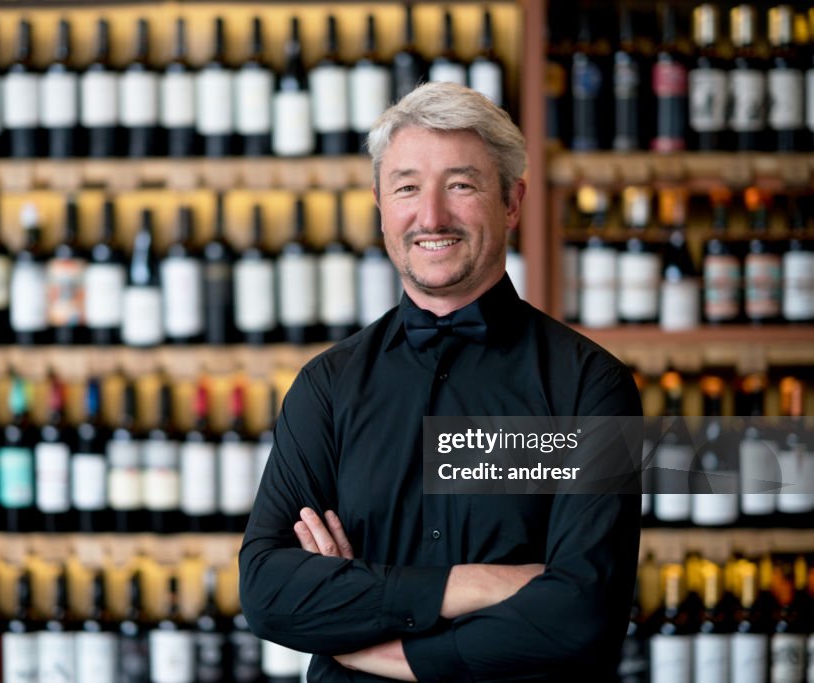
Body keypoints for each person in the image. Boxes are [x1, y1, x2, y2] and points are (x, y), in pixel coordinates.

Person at [239, 82, 642, 682]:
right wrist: (472, 585)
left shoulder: (591, 386)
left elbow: (582, 614)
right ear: (380, 203)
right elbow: (270, 591)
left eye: (461, 185)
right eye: (406, 187)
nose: (431, 216)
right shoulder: (327, 385)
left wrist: (381, 642)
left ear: (511, 201)